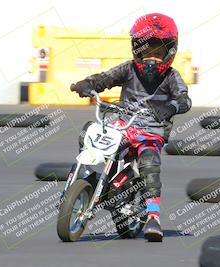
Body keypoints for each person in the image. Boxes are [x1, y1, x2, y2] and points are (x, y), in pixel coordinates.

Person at [70, 13, 192, 242]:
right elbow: (105, 78)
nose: (151, 57)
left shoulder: (172, 77)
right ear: (135, 48)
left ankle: (153, 216)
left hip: (151, 132)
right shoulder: (128, 69)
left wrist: (169, 107)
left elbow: (185, 100)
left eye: (158, 52)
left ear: (171, 51)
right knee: (89, 132)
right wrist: (88, 84)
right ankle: (85, 179)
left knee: (149, 162)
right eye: (146, 51)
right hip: (122, 126)